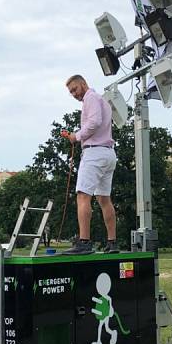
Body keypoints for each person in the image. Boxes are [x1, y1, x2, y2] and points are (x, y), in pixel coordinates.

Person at [62, 74, 119, 254]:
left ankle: (84, 242)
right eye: (71, 92)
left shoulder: (91, 98)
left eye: (75, 89)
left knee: (82, 196)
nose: (74, 94)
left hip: (94, 152)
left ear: (84, 84)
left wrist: (75, 136)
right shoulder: (100, 100)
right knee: (103, 198)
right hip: (108, 153)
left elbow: (94, 123)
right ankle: (112, 243)